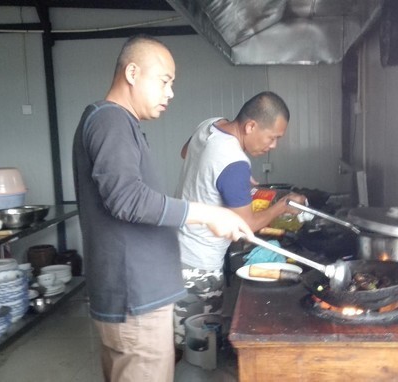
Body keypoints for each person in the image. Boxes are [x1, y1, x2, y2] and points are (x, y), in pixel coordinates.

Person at [72, 35, 253, 382]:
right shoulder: (110, 120)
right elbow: (127, 199)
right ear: (133, 73)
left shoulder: (119, 123)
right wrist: (208, 213)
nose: (170, 93)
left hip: (135, 296)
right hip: (135, 299)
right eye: (164, 81)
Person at [173, 91, 306, 347]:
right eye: (273, 137)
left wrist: (224, 179)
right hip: (198, 264)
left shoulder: (210, 124)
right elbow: (248, 227)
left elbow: (185, 152)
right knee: (198, 344)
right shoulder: (234, 161)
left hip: (175, 245)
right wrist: (282, 206)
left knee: (182, 334)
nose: (273, 146)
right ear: (251, 126)